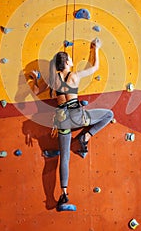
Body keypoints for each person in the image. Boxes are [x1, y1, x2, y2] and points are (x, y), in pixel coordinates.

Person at [49, 38, 114, 207]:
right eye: (70, 58)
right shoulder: (74, 76)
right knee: (108, 114)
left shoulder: (53, 80)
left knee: (64, 157)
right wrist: (96, 49)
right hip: (77, 117)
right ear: (67, 63)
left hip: (62, 121)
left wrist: (36, 78)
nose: (72, 60)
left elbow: (42, 92)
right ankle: (85, 138)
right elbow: (94, 67)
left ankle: (64, 193)